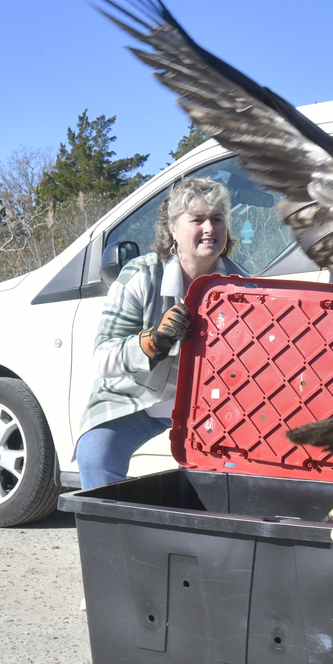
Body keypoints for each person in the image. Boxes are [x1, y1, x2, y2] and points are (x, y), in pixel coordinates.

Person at [75, 176, 242, 488]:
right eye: (197, 220)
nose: (209, 229)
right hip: (134, 399)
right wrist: (151, 343)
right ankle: (108, 532)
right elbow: (102, 357)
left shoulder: (242, 287)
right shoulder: (141, 275)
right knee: (95, 453)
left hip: (210, 408)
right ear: (173, 229)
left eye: (217, 219)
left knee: (234, 471)